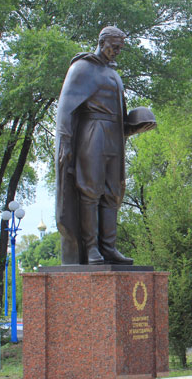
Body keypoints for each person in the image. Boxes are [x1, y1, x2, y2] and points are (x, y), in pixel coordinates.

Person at [55, 26, 156, 265]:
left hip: (114, 136)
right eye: (114, 46)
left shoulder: (113, 75)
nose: (117, 51)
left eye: (121, 47)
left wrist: (134, 127)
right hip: (92, 132)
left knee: (112, 192)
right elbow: (65, 109)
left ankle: (108, 247)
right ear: (102, 42)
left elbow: (119, 115)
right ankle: (91, 248)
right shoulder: (82, 68)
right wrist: (65, 143)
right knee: (90, 191)